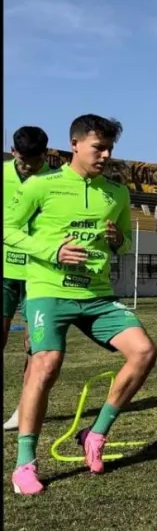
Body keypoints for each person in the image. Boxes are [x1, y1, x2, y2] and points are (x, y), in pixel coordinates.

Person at [4, 114, 157, 495]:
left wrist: (116, 238)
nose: (105, 155)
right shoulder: (43, 185)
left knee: (144, 352)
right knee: (46, 363)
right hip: (48, 290)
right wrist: (52, 249)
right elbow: (7, 230)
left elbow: (123, 244)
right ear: (74, 145)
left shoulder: (117, 193)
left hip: (97, 296)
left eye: (109, 148)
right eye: (98, 147)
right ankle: (25, 463)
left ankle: (96, 433)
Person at [3, 126, 52, 432]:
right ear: (13, 151)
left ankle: (23, 409)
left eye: (36, 161)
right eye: (24, 160)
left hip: (39, 273)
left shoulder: (54, 181)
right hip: (5, 271)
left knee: (34, 344)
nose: (30, 167)